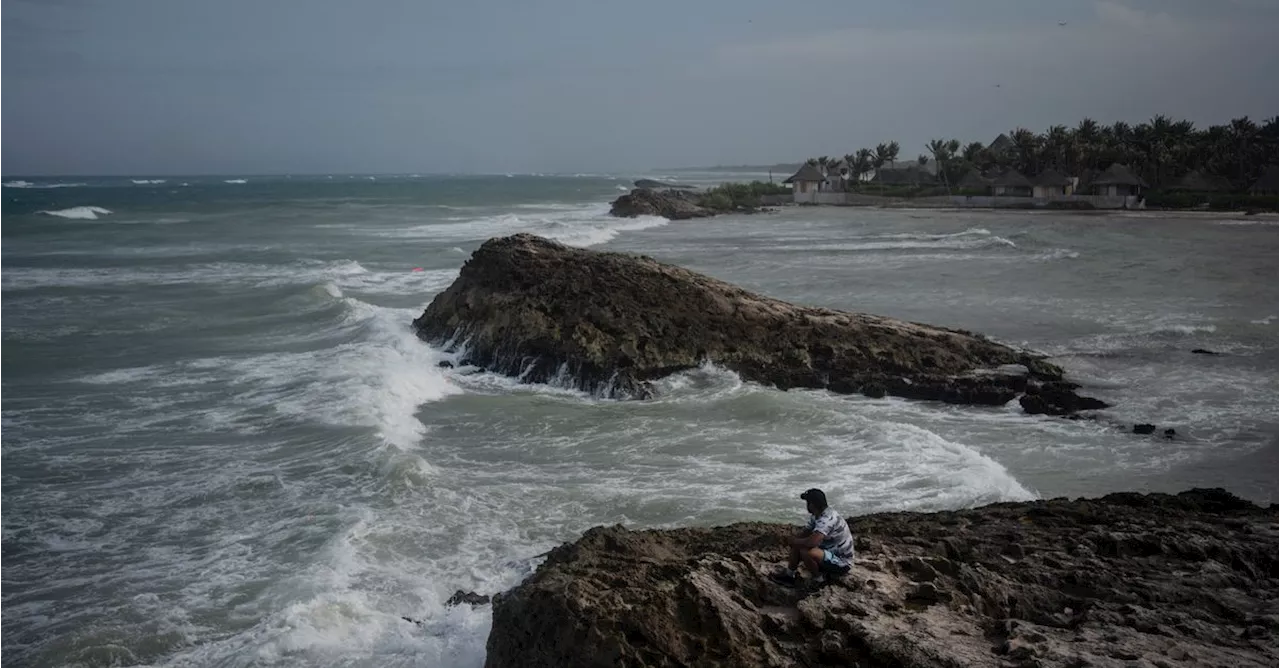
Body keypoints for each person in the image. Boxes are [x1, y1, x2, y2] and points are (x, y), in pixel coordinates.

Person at [771, 488, 854, 586]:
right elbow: (805, 533)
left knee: (806, 551)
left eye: (808, 502)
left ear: (812, 504)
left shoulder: (827, 518)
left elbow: (812, 542)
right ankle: (789, 576)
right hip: (827, 554)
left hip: (841, 562)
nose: (807, 505)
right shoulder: (816, 515)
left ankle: (819, 581)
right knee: (798, 545)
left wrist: (795, 541)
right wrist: (793, 540)